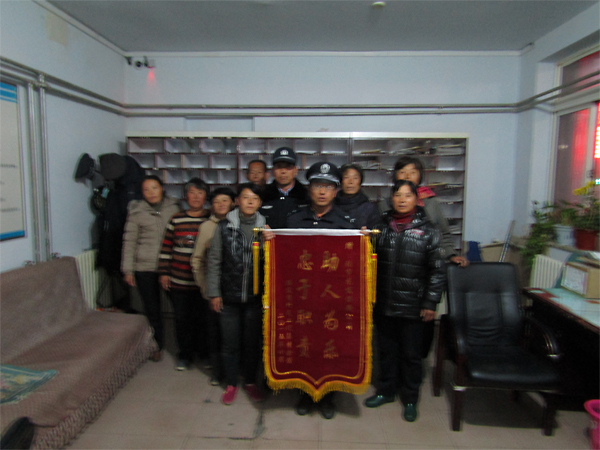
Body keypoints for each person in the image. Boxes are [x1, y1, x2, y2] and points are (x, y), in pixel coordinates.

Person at [364, 180, 446, 422]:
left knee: (411, 355)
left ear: (416, 199)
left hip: (413, 305)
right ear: (391, 199)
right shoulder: (380, 227)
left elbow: (437, 270)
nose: (401, 200)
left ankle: (410, 399)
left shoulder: (429, 230)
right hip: (384, 303)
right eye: (397, 195)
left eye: (407, 195)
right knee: (386, 352)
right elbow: (366, 260)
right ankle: (386, 391)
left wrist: (430, 303)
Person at [286, 162, 359, 419]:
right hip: (304, 297)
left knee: (330, 348)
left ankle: (328, 396)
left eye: (328, 187)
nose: (322, 191)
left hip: (332, 299)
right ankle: (305, 393)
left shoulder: (346, 224)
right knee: (304, 346)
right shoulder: (294, 220)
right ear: (310, 189)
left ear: (336, 191)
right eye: (317, 185)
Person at [206, 183, 269, 405]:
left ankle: (250, 382)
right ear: (237, 201)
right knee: (229, 343)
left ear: (260, 203)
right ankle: (232, 383)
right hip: (228, 298)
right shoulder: (224, 227)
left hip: (255, 299)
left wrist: (269, 243)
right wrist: (214, 293)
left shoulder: (266, 229)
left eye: (254, 198)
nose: (250, 202)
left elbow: (272, 264)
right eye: (245, 197)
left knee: (252, 344)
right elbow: (214, 261)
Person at [121, 175, 181, 362]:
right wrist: (128, 270)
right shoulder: (136, 211)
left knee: (180, 309)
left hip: (170, 266)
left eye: (154, 188)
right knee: (152, 311)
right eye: (146, 189)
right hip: (144, 267)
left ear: (162, 188)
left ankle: (185, 348)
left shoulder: (174, 207)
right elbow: (129, 241)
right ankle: (157, 346)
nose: (151, 192)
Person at [158, 178, 211, 371]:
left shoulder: (211, 218)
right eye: (192, 192)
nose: (196, 197)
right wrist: (164, 272)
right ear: (185, 196)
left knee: (204, 320)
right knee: (181, 320)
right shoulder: (176, 219)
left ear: (206, 196)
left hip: (203, 281)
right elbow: (166, 248)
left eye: (200, 193)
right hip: (179, 280)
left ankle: (204, 354)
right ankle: (185, 355)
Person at [190, 186, 236, 385]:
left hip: (234, 291)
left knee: (232, 335)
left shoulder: (240, 223)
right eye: (216, 202)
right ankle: (218, 373)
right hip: (214, 290)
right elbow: (197, 260)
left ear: (233, 203)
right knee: (215, 334)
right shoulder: (207, 227)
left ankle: (235, 371)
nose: (221, 204)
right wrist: (206, 288)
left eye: (225, 200)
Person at [260, 147, 308, 229]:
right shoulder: (262, 196)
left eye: (288, 167)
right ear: (273, 170)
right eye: (279, 167)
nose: (283, 172)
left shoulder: (306, 196)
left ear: (296, 170)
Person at [335, 163, 380, 229]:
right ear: (340, 181)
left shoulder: (370, 208)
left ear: (360, 181)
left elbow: (377, 232)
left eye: (355, 178)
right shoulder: (331, 205)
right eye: (346, 177)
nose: (351, 182)